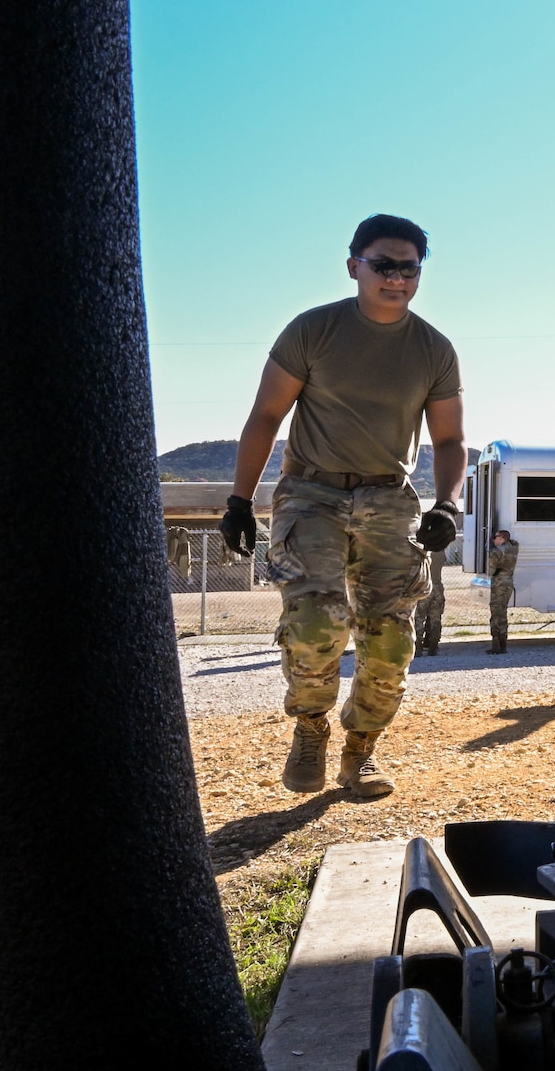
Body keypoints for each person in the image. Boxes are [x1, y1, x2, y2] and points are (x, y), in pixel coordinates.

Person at [219, 214, 464, 798]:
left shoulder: (434, 349)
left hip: (389, 497)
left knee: (390, 638)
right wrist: (238, 499)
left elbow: (450, 440)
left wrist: (448, 504)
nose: (396, 278)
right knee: (314, 623)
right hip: (312, 493)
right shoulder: (313, 331)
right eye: (384, 265)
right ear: (354, 265)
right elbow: (266, 416)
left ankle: (361, 751)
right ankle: (310, 728)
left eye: (409, 267)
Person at [487, 529, 519, 653]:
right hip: (509, 583)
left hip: (498, 584)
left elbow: (490, 571)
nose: (494, 540)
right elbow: (514, 543)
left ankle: (496, 644)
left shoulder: (496, 552)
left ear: (502, 538)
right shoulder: (514, 548)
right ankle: (504, 643)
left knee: (496, 613)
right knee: (503, 612)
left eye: (496, 537)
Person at [413, 549, 446, 657]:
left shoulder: (421, 553)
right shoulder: (440, 553)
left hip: (424, 587)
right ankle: (433, 647)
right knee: (435, 619)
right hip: (437, 587)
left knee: (419, 619)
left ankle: (418, 647)